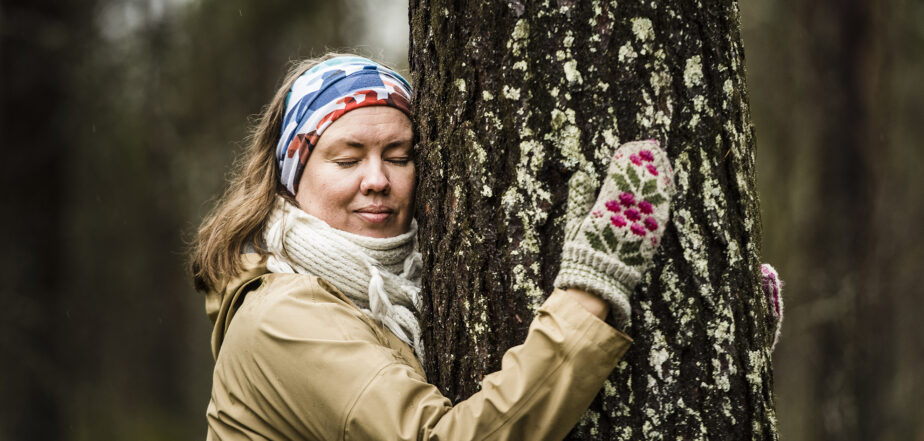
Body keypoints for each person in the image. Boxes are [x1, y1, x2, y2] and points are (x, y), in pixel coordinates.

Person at [190, 53, 680, 440]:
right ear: (291, 177)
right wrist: (590, 288)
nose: (378, 180)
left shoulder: (401, 294)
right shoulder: (282, 317)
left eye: (399, 157)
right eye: (347, 160)